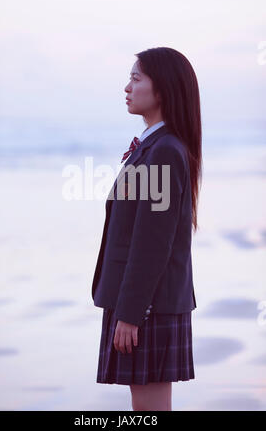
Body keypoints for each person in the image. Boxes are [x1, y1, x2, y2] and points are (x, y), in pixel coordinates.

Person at [91, 46, 202, 411]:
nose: (127, 87)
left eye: (136, 78)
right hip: (147, 302)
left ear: (163, 89)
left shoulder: (164, 151)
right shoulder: (154, 146)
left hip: (148, 305)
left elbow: (152, 243)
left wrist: (131, 313)